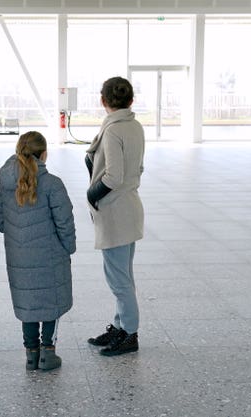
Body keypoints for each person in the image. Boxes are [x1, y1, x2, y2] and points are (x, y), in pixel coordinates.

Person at [0, 131, 76, 371]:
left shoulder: (6, 182)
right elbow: (65, 222)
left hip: (18, 255)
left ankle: (31, 355)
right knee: (50, 300)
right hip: (49, 254)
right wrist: (69, 246)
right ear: (44, 154)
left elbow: (0, 221)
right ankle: (48, 354)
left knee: (28, 303)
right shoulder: (52, 183)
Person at [85, 76, 145, 357]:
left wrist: (91, 195)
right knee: (124, 275)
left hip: (116, 212)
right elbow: (138, 169)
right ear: (131, 101)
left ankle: (129, 333)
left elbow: (113, 176)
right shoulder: (134, 126)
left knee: (118, 279)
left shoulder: (111, 131)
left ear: (103, 100)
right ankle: (120, 326)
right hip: (130, 207)